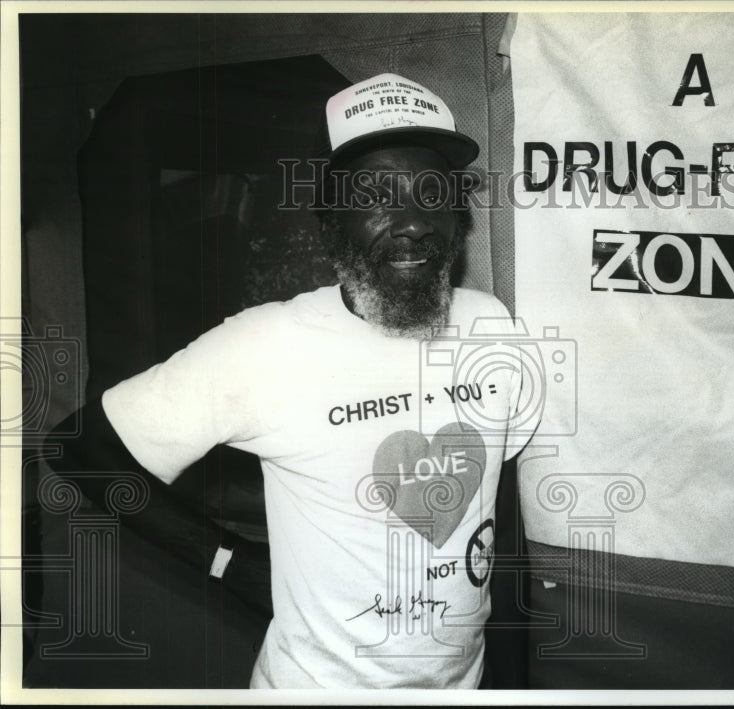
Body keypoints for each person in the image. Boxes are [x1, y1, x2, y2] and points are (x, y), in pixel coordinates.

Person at [47, 73, 531, 689]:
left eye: (432, 195)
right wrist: (230, 561)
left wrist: (513, 680)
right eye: (379, 195)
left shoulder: (488, 323)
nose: (413, 223)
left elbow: (500, 505)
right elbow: (80, 450)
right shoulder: (268, 345)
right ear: (331, 221)